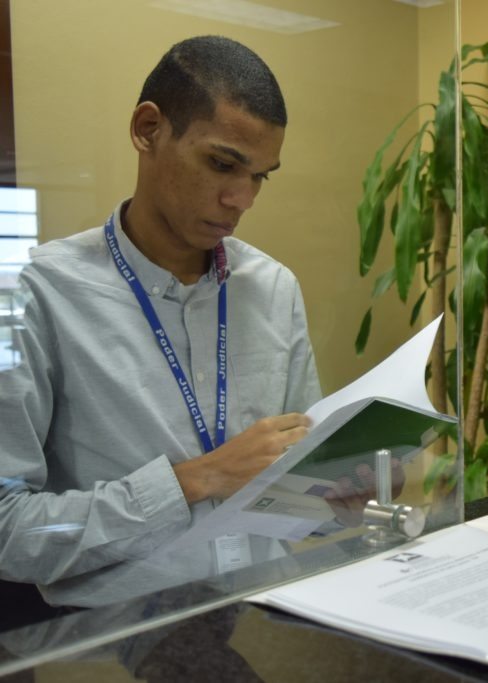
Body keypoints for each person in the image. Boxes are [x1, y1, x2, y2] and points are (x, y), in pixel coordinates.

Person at [0, 36, 338, 610]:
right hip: (115, 642)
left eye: (261, 176)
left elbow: (296, 491)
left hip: (272, 614)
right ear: (148, 130)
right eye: (223, 164)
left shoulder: (274, 288)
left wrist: (337, 496)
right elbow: (9, 531)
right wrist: (193, 482)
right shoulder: (36, 295)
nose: (241, 200)